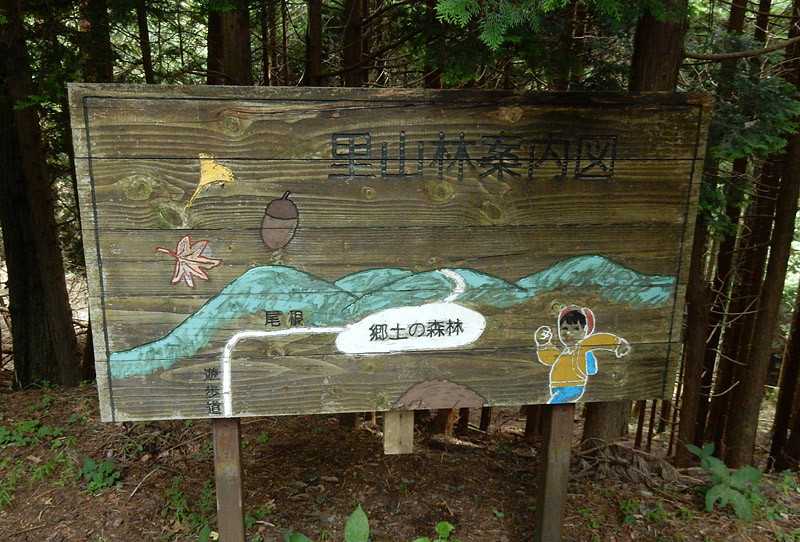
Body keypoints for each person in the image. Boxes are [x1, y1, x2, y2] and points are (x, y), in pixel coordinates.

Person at [534, 306, 630, 404]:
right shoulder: (566, 352)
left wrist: (618, 344)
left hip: (572, 387)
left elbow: (598, 339)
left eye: (576, 328)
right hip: (557, 387)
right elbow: (551, 358)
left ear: (585, 330)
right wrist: (543, 344)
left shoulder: (582, 346)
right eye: (564, 328)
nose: (569, 332)